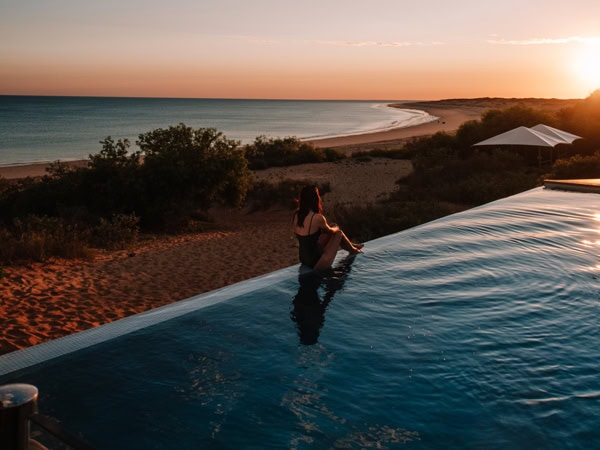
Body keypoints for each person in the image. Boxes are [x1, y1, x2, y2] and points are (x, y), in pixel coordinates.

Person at [292, 185, 363, 270]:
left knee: (331, 226)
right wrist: (336, 227)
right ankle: (353, 250)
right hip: (317, 261)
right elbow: (331, 232)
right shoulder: (317, 217)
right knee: (338, 233)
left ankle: (352, 246)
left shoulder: (296, 215)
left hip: (304, 259)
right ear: (315, 199)